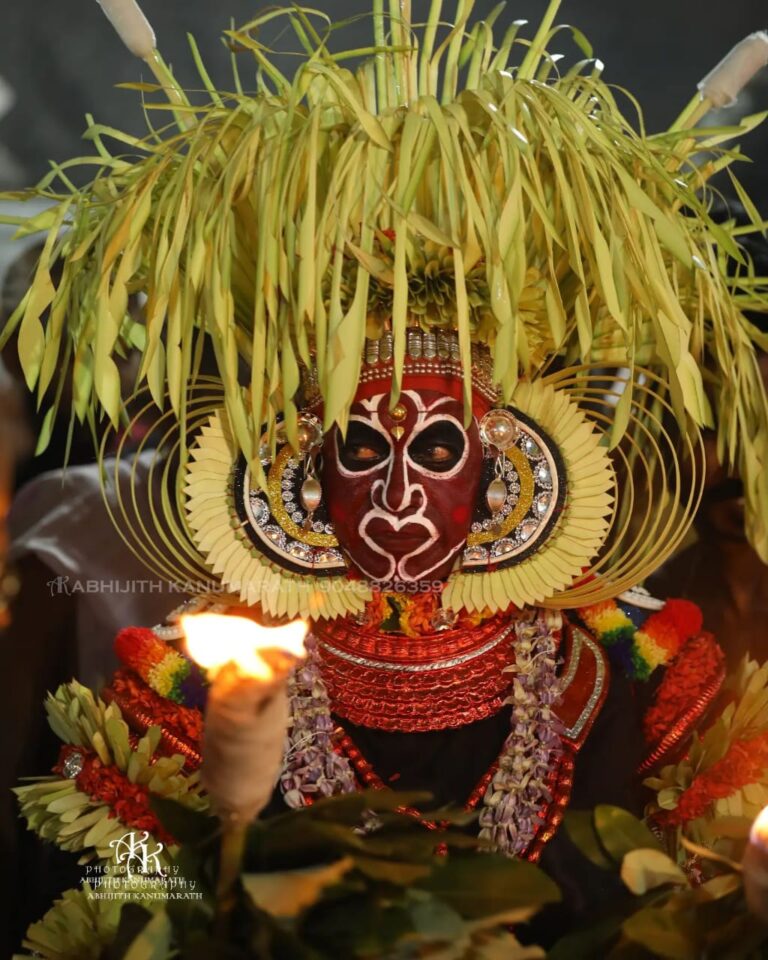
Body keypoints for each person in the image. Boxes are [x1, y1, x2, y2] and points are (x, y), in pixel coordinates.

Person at [4, 1, 768, 951]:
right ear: (302, 473)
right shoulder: (197, 677)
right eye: (362, 450)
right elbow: (113, 895)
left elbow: (719, 904)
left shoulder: (635, 671)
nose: (399, 494)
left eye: (438, 451)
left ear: (505, 468)